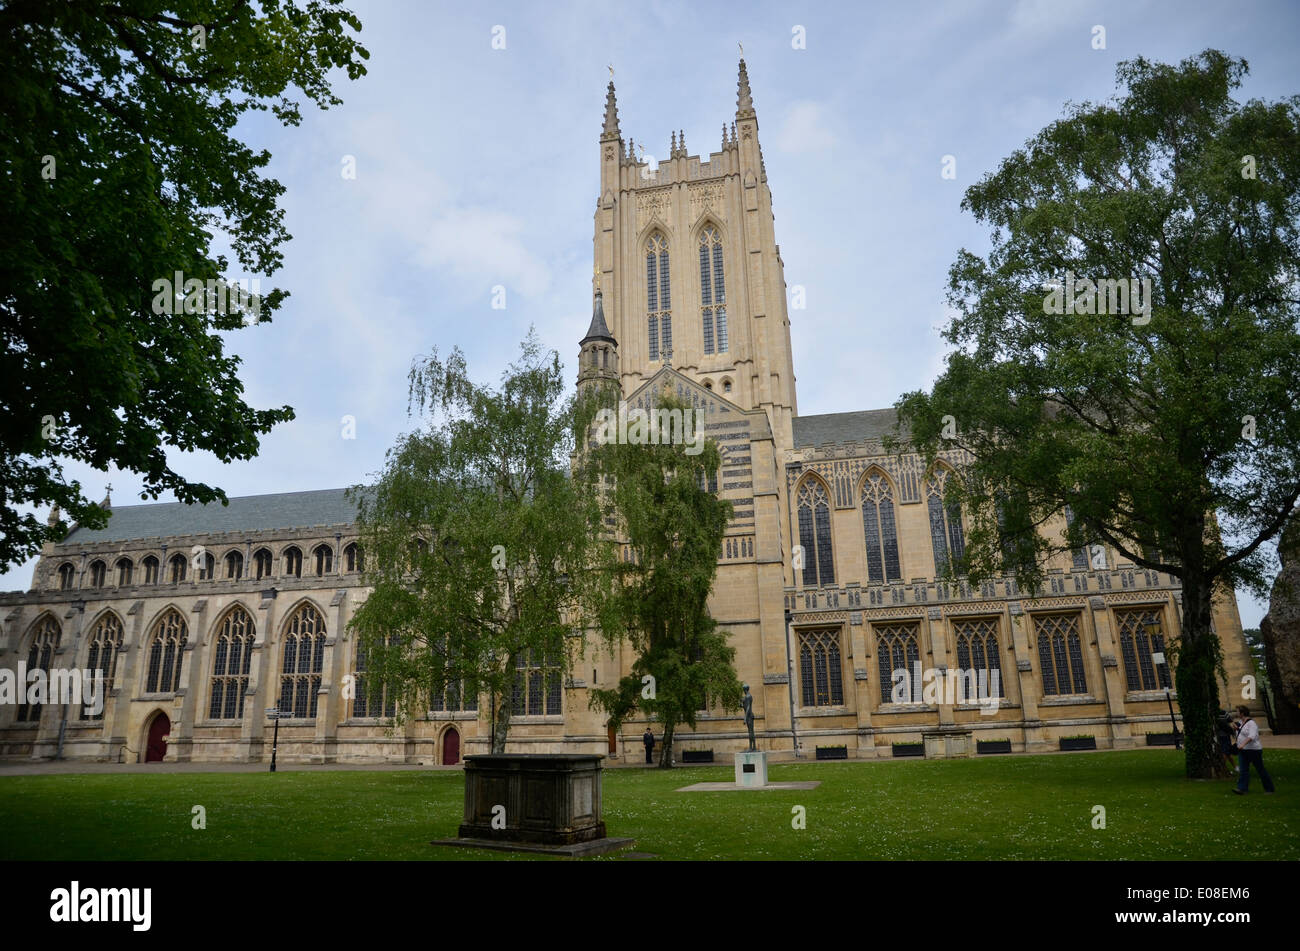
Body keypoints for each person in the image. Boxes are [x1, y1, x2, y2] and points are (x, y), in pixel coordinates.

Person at [1233, 705, 1275, 794]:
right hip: (1243, 750)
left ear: (1242, 713)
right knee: (1243, 770)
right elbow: (1241, 734)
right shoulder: (1241, 722)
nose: (1236, 713)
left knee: (1260, 769)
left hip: (1253, 750)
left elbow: (1252, 736)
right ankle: (1242, 788)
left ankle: (1269, 788)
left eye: (1237, 711)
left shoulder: (1251, 723)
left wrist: (1243, 744)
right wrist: (1236, 730)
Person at [1215, 709, 1238, 775]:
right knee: (1225, 752)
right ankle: (1222, 769)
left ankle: (1234, 767)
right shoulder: (1223, 712)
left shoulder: (1216, 712)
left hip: (1220, 736)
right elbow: (1231, 721)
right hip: (1224, 736)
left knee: (1226, 752)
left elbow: (1230, 721)